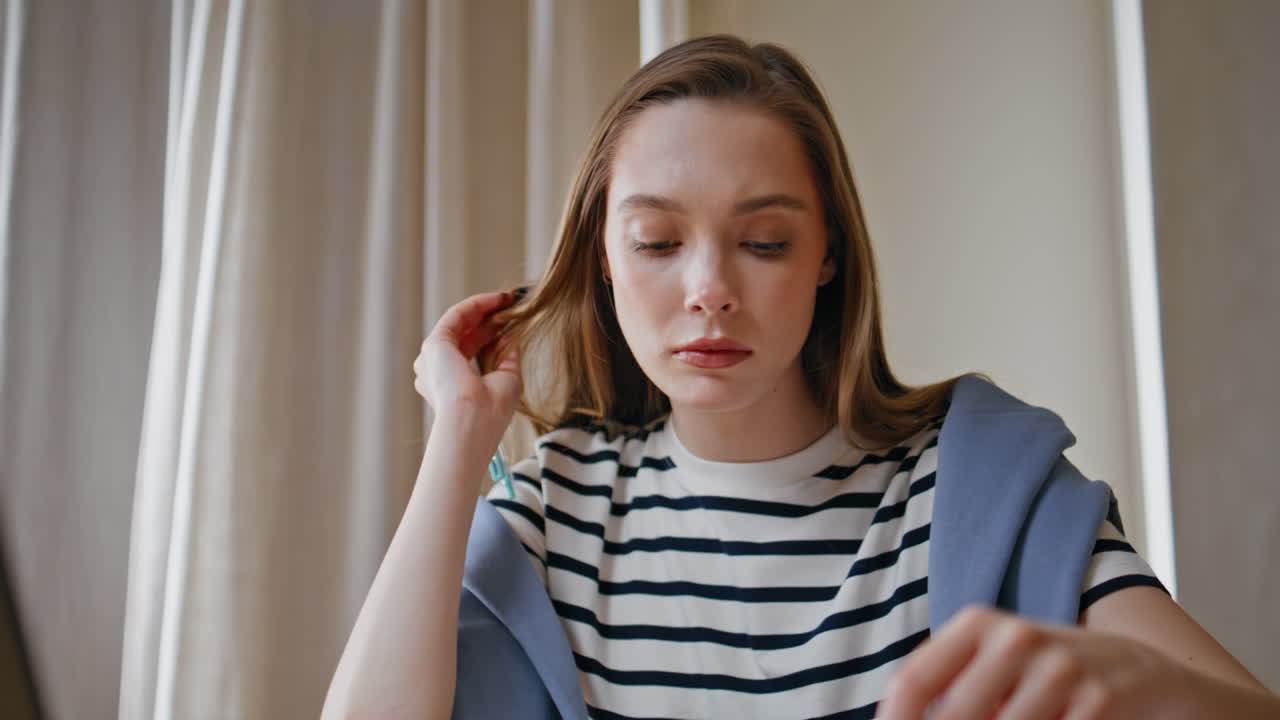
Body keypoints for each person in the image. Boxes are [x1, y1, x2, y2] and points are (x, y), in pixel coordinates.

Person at [322, 35, 1278, 719]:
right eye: (656, 241)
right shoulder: (551, 511)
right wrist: (459, 439)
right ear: (603, 259)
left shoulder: (980, 484)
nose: (709, 291)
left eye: (765, 241)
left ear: (827, 253)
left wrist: (1153, 690)